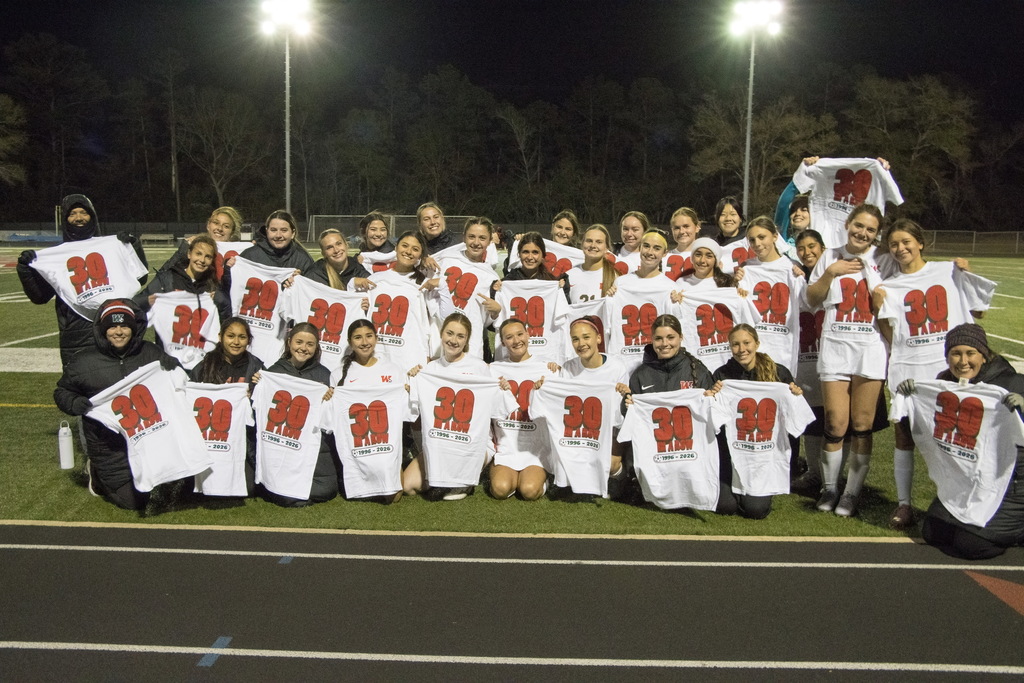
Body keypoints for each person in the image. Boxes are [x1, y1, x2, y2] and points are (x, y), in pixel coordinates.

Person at [874, 219, 993, 529]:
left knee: (960, 436)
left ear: (920, 242)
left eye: (906, 242)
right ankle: (904, 504)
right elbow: (890, 334)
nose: (901, 249)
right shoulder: (888, 287)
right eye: (894, 244)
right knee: (904, 437)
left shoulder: (947, 271)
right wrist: (878, 308)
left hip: (952, 368)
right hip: (910, 368)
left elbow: (979, 311)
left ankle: (966, 500)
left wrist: (964, 272)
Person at [898, 324, 1024, 560]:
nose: (963, 361)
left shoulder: (1013, 383)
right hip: (966, 479)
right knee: (934, 533)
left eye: (970, 353)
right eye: (956, 353)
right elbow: (922, 428)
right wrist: (910, 398)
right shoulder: (945, 383)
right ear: (947, 357)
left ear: (984, 356)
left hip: (1010, 483)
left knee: (972, 545)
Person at [805, 204, 895, 517]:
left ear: (877, 233)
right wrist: (830, 273)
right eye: (859, 226)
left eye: (870, 229)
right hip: (835, 346)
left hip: (870, 346)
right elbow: (812, 300)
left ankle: (851, 493)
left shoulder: (884, 260)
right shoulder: (829, 255)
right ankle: (830, 487)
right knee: (834, 423)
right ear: (848, 224)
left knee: (861, 424)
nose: (863, 233)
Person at [53, 298, 180, 509]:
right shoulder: (84, 361)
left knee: (178, 480)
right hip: (109, 448)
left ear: (134, 329)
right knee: (135, 502)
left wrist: (173, 365)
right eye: (112, 326)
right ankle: (96, 471)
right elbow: (62, 391)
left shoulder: (150, 353)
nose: (119, 331)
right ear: (103, 330)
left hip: (148, 439)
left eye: (124, 326)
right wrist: (73, 402)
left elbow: (176, 382)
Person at [18, 194, 147, 368]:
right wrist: (25, 269)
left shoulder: (112, 245)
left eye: (83, 213)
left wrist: (133, 247)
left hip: (115, 324)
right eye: (72, 214)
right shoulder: (56, 256)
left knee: (120, 382)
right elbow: (39, 297)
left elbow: (141, 277)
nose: (79, 218)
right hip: (76, 333)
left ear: (92, 216)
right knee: (80, 383)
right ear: (65, 219)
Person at [404, 312, 507, 501]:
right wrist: (412, 382)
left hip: (471, 442)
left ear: (467, 340)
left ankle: (465, 478)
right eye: (449, 333)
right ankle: (444, 476)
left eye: (460, 336)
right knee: (408, 486)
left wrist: (502, 388)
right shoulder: (428, 370)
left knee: (453, 486)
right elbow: (414, 413)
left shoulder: (480, 368)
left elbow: (498, 408)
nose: (453, 340)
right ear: (441, 334)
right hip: (441, 442)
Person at [708, 324, 807, 519]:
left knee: (755, 510)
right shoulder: (722, 375)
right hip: (733, 452)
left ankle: (756, 489)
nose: (741, 349)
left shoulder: (779, 373)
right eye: (735, 344)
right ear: (729, 346)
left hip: (764, 453)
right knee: (725, 506)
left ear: (757, 343)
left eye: (746, 343)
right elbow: (714, 420)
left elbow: (794, 424)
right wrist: (712, 395)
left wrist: (796, 397)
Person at [255, 322, 338, 506]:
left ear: (316, 347)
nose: (303, 348)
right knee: (279, 486)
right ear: (289, 341)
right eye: (299, 342)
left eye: (310, 344)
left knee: (327, 488)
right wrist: (259, 384)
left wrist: (328, 398)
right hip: (282, 441)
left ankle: (292, 494)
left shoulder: (324, 375)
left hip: (311, 443)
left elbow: (329, 420)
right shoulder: (273, 373)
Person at [189, 317, 264, 496]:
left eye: (242, 337)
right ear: (220, 336)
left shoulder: (257, 368)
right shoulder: (204, 366)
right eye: (231, 336)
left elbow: (265, 406)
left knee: (249, 487)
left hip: (241, 439)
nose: (236, 342)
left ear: (249, 340)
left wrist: (255, 394)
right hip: (209, 435)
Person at [488, 318, 552, 500]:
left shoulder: (547, 369)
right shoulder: (493, 369)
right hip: (507, 446)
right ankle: (500, 470)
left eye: (519, 334)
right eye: (509, 337)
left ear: (528, 335)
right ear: (502, 342)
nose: (516, 341)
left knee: (529, 491)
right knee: (500, 489)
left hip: (534, 448)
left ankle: (542, 477)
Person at [133, 234, 232, 326]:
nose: (202, 260)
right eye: (198, 254)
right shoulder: (168, 279)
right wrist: (150, 300)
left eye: (208, 257)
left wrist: (219, 301)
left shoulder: (212, 286)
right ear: (189, 254)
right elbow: (136, 304)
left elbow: (225, 321)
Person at [159, 206, 246, 278]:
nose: (219, 228)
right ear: (208, 225)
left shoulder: (243, 253)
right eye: (216, 223)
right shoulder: (192, 247)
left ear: (232, 232)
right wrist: (184, 250)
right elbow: (163, 275)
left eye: (226, 226)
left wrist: (255, 251)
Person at [239, 210, 314, 273]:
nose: (278, 235)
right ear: (267, 231)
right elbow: (234, 284)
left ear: (293, 233)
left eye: (284, 230)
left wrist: (300, 280)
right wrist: (229, 268)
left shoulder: (303, 259)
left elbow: (313, 287)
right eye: (273, 230)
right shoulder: (250, 255)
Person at [306, 229, 374, 292]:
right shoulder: (315, 274)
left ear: (346, 245)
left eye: (339, 244)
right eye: (329, 247)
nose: (336, 250)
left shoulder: (358, 270)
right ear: (323, 253)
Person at [566, 224, 619, 303]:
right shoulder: (569, 276)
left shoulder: (615, 278)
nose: (593, 245)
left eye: (599, 242)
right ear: (582, 244)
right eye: (589, 241)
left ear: (606, 247)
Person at [663, 207, 701, 280]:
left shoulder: (708, 257)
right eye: (677, 228)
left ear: (697, 227)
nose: (681, 231)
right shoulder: (663, 257)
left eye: (686, 226)